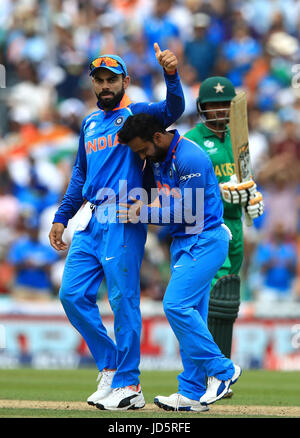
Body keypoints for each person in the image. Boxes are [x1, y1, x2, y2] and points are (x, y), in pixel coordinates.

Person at [48, 44, 185, 411]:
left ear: (126, 80)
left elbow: (173, 110)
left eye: (112, 80)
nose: (105, 86)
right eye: (100, 80)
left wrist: (171, 75)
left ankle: (129, 384)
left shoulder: (137, 114)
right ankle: (111, 365)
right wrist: (62, 216)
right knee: (71, 295)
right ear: (93, 84)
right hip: (91, 217)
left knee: (123, 299)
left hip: (123, 215)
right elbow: (80, 172)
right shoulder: (90, 122)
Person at [116, 113, 242, 412]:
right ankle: (191, 392)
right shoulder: (159, 156)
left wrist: (141, 213)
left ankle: (223, 371)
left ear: (157, 137)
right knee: (192, 315)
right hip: (183, 243)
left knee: (175, 305)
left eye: (142, 150)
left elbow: (188, 210)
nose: (142, 156)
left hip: (207, 239)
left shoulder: (191, 157)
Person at [184, 76, 264, 393]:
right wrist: (220, 194)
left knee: (227, 302)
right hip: (207, 229)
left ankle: (221, 375)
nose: (219, 110)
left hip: (235, 230)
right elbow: (187, 190)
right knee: (210, 302)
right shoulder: (190, 140)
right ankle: (207, 375)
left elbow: (245, 181)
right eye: (213, 104)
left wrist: (252, 201)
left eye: (224, 105)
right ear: (202, 108)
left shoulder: (239, 141)